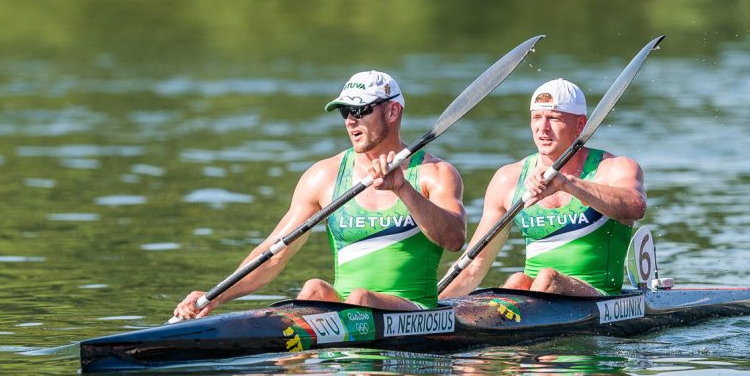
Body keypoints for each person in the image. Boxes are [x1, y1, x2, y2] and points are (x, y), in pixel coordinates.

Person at [175, 70, 466, 319]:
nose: (350, 121)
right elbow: (274, 254)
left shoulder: (434, 173)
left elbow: (454, 239)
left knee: (361, 299)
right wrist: (216, 296)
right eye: (344, 112)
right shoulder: (323, 177)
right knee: (315, 289)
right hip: (350, 311)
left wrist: (403, 188)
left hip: (417, 312)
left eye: (360, 110)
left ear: (392, 111)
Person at [438, 78, 645, 299]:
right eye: (536, 117)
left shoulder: (612, 168)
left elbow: (635, 207)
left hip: (598, 296)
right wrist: (428, 308)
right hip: (536, 297)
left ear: (580, 125)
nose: (542, 128)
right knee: (517, 280)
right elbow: (474, 264)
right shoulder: (508, 179)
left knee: (548, 277)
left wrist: (567, 184)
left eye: (553, 118)